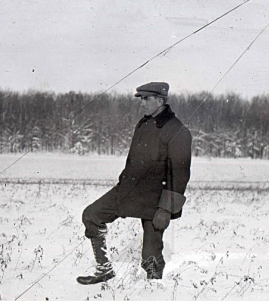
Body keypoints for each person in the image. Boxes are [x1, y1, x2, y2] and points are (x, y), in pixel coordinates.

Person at [77, 82, 192, 285]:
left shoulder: (177, 130)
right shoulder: (144, 123)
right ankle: (104, 270)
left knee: (151, 254)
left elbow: (179, 175)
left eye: (146, 99)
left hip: (156, 200)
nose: (142, 103)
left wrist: (165, 209)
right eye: (141, 99)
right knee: (92, 215)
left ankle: (153, 289)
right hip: (128, 190)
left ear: (160, 100)